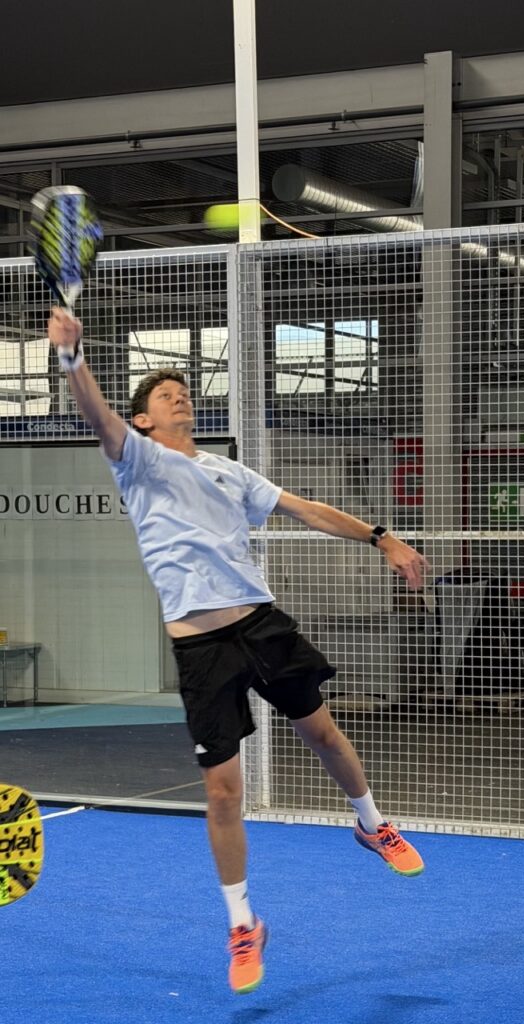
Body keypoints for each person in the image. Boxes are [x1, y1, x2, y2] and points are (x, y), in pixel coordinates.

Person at [48, 306, 430, 995]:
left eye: (183, 391)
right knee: (224, 792)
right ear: (143, 421)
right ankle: (243, 923)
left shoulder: (229, 471)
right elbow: (98, 418)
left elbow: (308, 510)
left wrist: (382, 537)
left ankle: (373, 825)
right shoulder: (136, 460)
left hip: (260, 623)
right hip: (201, 648)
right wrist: (73, 359)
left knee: (323, 735)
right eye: (166, 395)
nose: (180, 397)